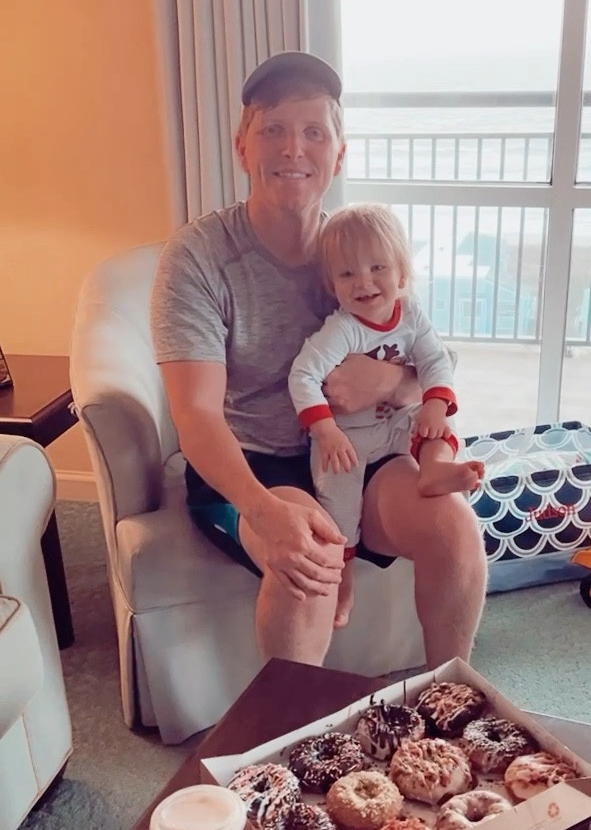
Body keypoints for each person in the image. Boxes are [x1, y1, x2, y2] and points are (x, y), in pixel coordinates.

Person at [150, 49, 487, 674]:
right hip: (255, 463)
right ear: (241, 146)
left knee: (456, 529)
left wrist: (392, 381)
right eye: (272, 129)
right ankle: (289, 745)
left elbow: (433, 353)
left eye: (313, 132)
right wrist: (263, 509)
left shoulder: (357, 250)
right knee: (311, 554)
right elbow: (195, 413)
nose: (292, 149)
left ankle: (452, 700)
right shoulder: (198, 259)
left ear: (339, 152)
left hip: (360, 455)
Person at [288, 202, 484, 624]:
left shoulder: (410, 312)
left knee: (439, 425)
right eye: (347, 274)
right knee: (339, 506)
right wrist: (325, 431)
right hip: (348, 438)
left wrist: (433, 401)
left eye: (377, 268)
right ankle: (344, 585)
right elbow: (302, 376)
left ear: (402, 273)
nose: (364, 282)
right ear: (332, 284)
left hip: (394, 424)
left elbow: (435, 359)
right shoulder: (341, 330)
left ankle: (433, 472)